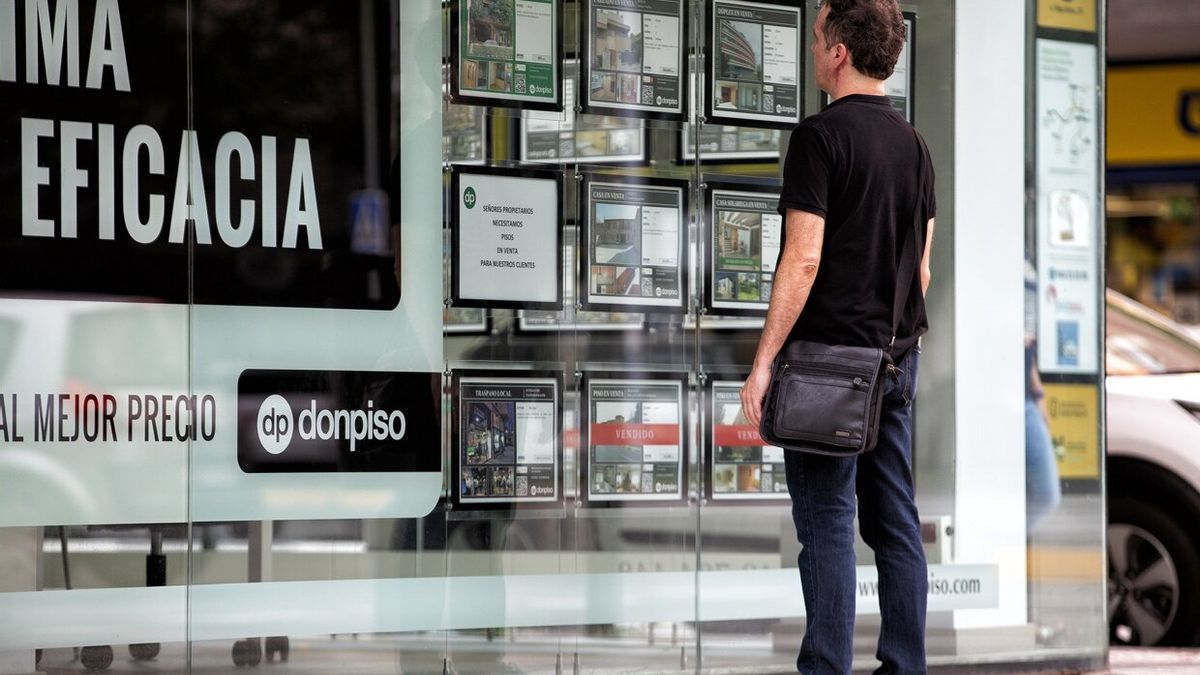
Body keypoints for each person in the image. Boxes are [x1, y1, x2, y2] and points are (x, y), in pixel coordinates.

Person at [739, 1, 936, 673]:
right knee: (895, 524)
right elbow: (925, 268)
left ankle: (826, 666)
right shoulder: (915, 146)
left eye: (818, 36)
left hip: (828, 368)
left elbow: (802, 258)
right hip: (894, 361)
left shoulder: (820, 138)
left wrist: (764, 362)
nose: (814, 46)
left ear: (839, 53)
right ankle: (904, 664)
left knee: (826, 519)